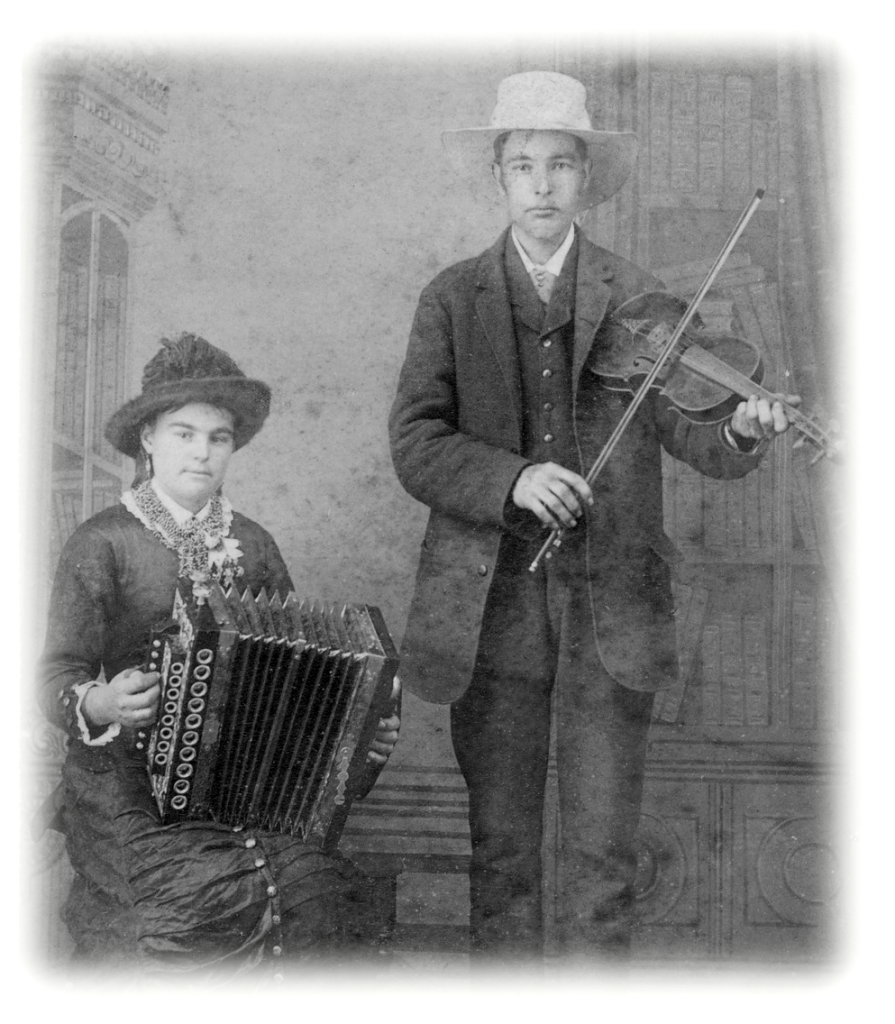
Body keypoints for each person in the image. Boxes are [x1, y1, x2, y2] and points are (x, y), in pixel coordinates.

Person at [389, 71, 797, 963]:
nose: (542, 184)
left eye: (561, 164)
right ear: (499, 176)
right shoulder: (452, 299)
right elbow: (415, 443)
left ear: (586, 178)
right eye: (524, 164)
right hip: (488, 618)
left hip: (611, 614)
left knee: (603, 861)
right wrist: (512, 479)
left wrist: (739, 424)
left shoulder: (638, 296)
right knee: (500, 857)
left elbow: (697, 440)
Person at [38, 333, 400, 977]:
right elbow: (56, 673)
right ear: (147, 439)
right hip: (124, 783)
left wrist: (358, 736)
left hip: (242, 785)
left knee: (313, 890)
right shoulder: (104, 541)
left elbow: (297, 676)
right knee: (200, 897)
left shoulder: (255, 543)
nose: (202, 453)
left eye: (219, 438)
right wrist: (100, 698)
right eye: (183, 433)